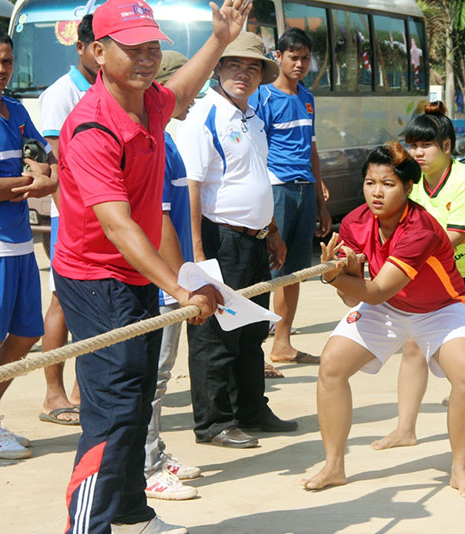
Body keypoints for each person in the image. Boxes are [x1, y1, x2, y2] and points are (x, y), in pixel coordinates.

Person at [52, 0, 248, 532]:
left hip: (133, 275)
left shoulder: (148, 102)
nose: (147, 58)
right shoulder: (92, 126)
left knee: (137, 400)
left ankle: (134, 515)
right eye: (133, 48)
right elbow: (117, 226)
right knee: (112, 410)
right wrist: (180, 288)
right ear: (98, 51)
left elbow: (181, 90)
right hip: (95, 279)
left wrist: (220, 40)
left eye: (152, 47)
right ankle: (85, 527)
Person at [301, 142, 465, 498]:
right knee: (331, 365)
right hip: (385, 309)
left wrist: (333, 277)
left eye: (387, 184)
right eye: (370, 183)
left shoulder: (421, 229)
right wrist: (344, 273)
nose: (376, 192)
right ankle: (334, 466)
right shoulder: (355, 222)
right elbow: (354, 297)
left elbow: (377, 291)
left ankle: (460, 469)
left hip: (440, 309)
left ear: (408, 187)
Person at [373, 102, 465, 454]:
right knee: (413, 347)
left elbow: (457, 236)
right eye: (412, 145)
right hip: (440, 276)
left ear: (446, 147)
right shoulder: (410, 186)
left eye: (425, 145)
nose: (418, 152)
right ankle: (405, 429)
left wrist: (401, 264)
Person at [178, 31, 296, 450]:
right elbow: (190, 187)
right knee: (215, 337)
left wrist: (273, 232)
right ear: (218, 69)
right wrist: (197, 259)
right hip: (218, 239)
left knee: (249, 329)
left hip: (254, 239)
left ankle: (251, 408)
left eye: (252, 67)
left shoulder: (252, 119)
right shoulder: (203, 116)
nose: (243, 75)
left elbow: (256, 178)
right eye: (234, 65)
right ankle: (214, 421)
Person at [0, 25, 57, 459]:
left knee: (25, 335)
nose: (0, 69)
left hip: (19, 242)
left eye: (7, 61)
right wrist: (32, 181)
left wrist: (39, 178)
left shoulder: (16, 109)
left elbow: (51, 165)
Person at [250, 27, 331, 369]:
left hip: (304, 189)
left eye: (305, 58)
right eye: (293, 57)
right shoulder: (262, 98)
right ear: (278, 57)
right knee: (267, 270)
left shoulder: (307, 97)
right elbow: (254, 148)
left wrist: (321, 199)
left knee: (296, 271)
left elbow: (312, 149)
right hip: (276, 189)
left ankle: (283, 344)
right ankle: (255, 351)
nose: (299, 64)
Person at [143, 51, 201, 502]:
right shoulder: (153, 144)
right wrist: (178, 286)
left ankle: (156, 452)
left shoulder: (168, 139)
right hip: (162, 285)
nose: (193, 96)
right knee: (153, 377)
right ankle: (145, 465)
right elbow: (160, 223)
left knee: (159, 376)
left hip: (173, 278)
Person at [36, 13, 98, 426]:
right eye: (96, 46)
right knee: (63, 298)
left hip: (107, 217)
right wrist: (74, 217)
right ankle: (54, 394)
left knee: (96, 303)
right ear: (82, 48)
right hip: (72, 217)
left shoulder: (113, 89)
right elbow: (59, 167)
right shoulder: (62, 94)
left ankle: (83, 391)